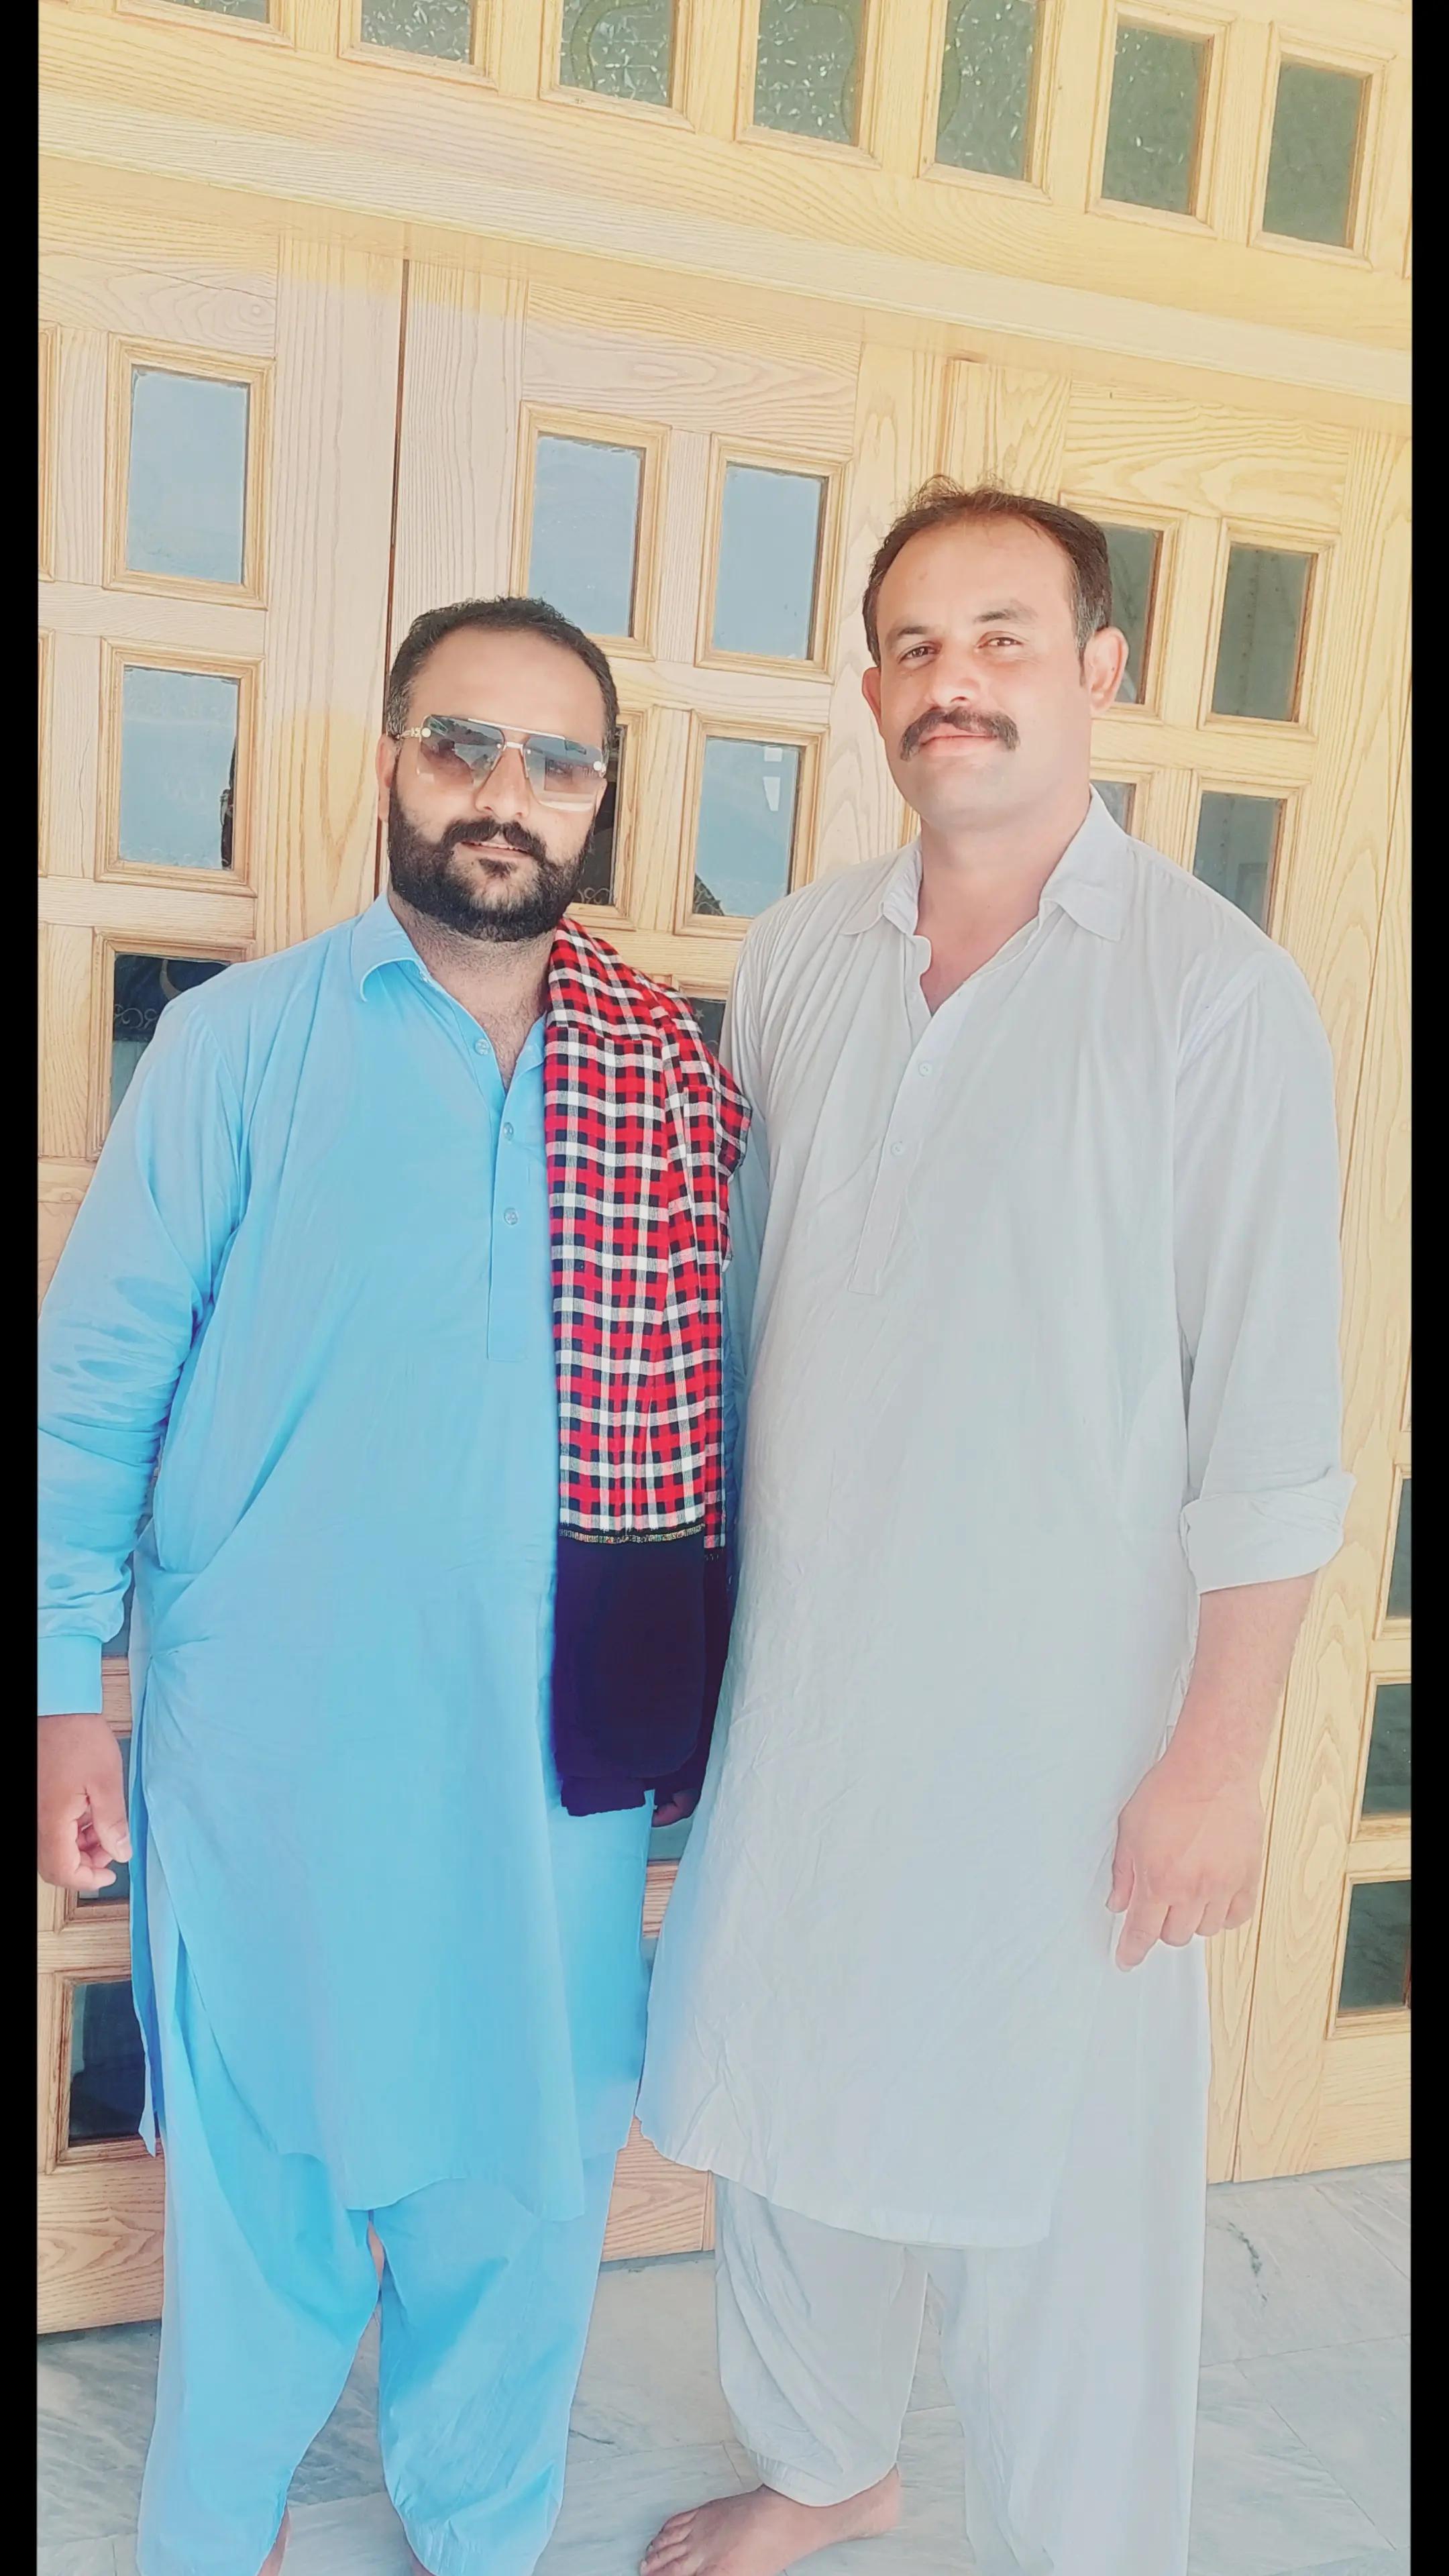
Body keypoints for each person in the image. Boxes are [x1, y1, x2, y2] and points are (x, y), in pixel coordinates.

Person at [637, 482, 1351, 2576]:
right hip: (809, 1672)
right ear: (873, 691)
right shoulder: (800, 958)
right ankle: (827, 2463)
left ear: (1100, 671)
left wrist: (1212, 1763)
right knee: (782, 2104)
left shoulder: (1213, 995)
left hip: (1072, 1717)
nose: (956, 681)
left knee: (1071, 2195)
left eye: (1004, 638)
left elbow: (1275, 1423)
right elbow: (741, 1313)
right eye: (917, 646)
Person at [37, 594, 747, 2576]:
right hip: (279, 1745)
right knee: (264, 2174)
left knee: (528, 2169)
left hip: (555, 1747)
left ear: (600, 800)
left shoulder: (670, 1085)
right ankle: (216, 2533)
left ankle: (479, 2526)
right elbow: (94, 1385)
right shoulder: (242, 1046)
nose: (505, 793)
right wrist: (60, 1688)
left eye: (556, 759)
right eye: (462, 744)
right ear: (389, 764)